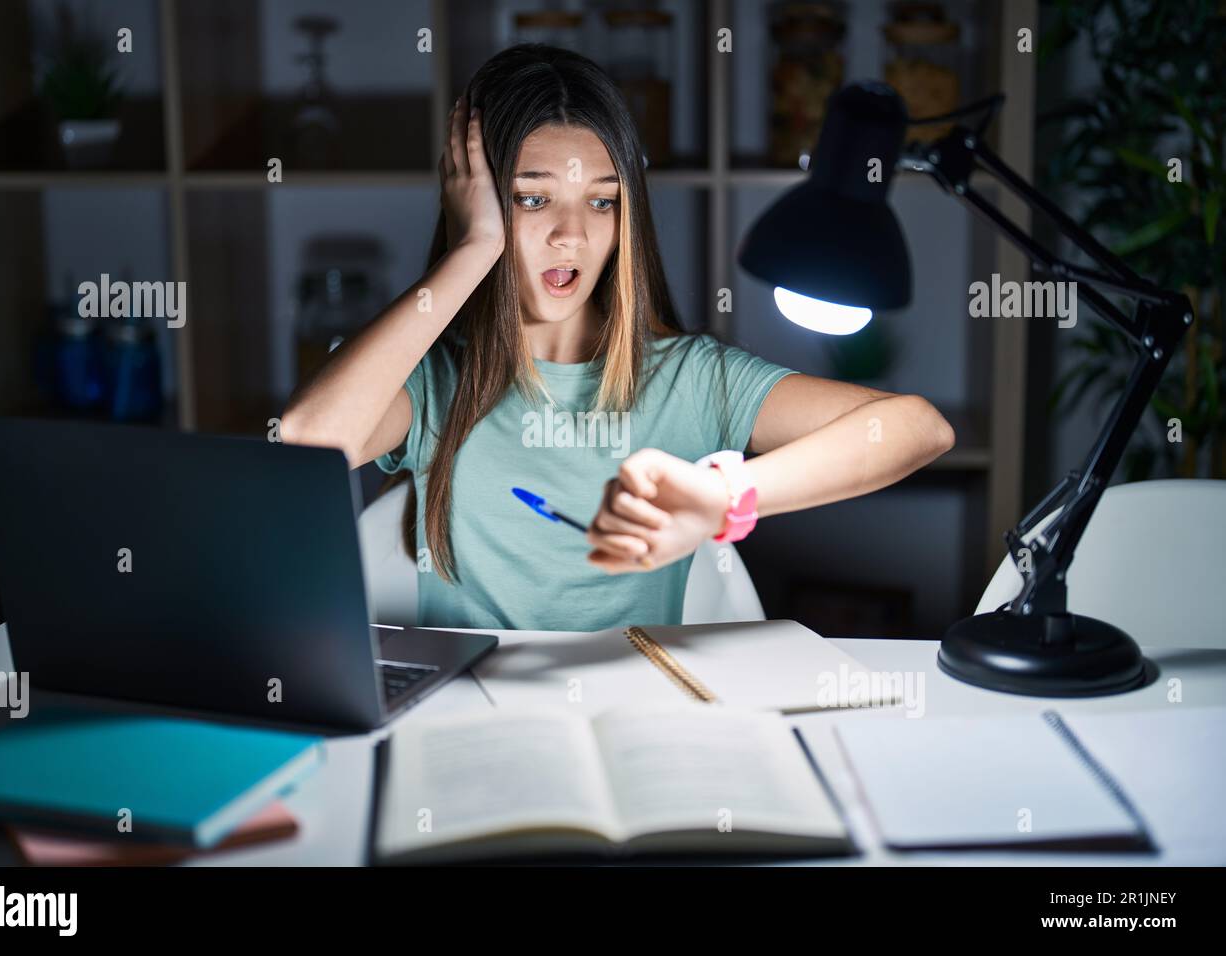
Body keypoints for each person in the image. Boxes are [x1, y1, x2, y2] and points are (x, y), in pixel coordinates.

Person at [281, 43, 954, 631]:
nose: (571, 235)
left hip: (640, 718)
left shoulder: (690, 378)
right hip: (471, 720)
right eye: (532, 198)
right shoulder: (432, 380)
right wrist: (472, 250)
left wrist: (721, 499)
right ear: (475, 206)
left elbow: (916, 428)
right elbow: (307, 442)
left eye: (601, 201)